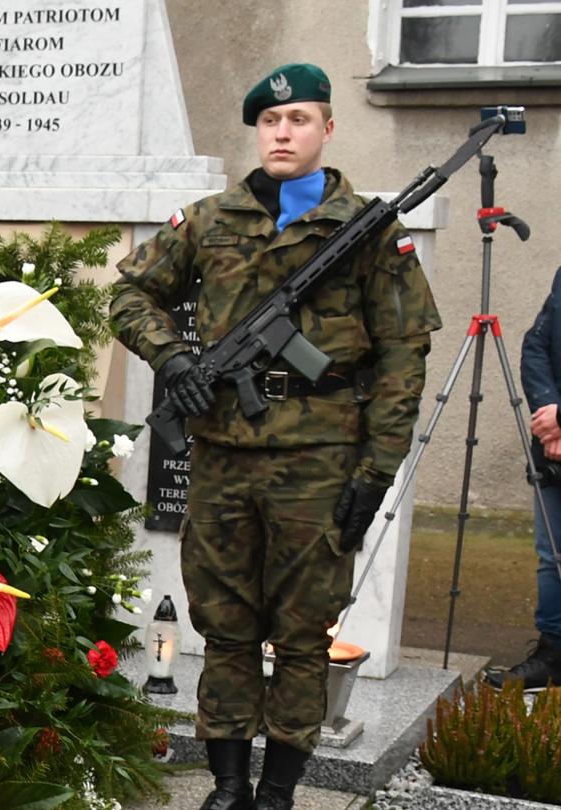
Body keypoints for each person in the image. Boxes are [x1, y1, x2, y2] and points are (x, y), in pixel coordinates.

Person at [110, 63, 440, 810]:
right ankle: (229, 784)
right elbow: (129, 293)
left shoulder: (368, 231)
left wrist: (376, 472)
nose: (283, 133)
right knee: (223, 626)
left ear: (327, 128)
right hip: (223, 457)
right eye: (270, 122)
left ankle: (279, 790)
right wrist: (175, 358)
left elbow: (402, 359)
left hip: (321, 463)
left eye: (299, 120)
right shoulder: (210, 220)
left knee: (302, 635)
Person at [499, 267, 561, 692]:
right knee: (551, 554)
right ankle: (553, 654)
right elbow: (535, 346)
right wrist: (549, 414)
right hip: (554, 447)